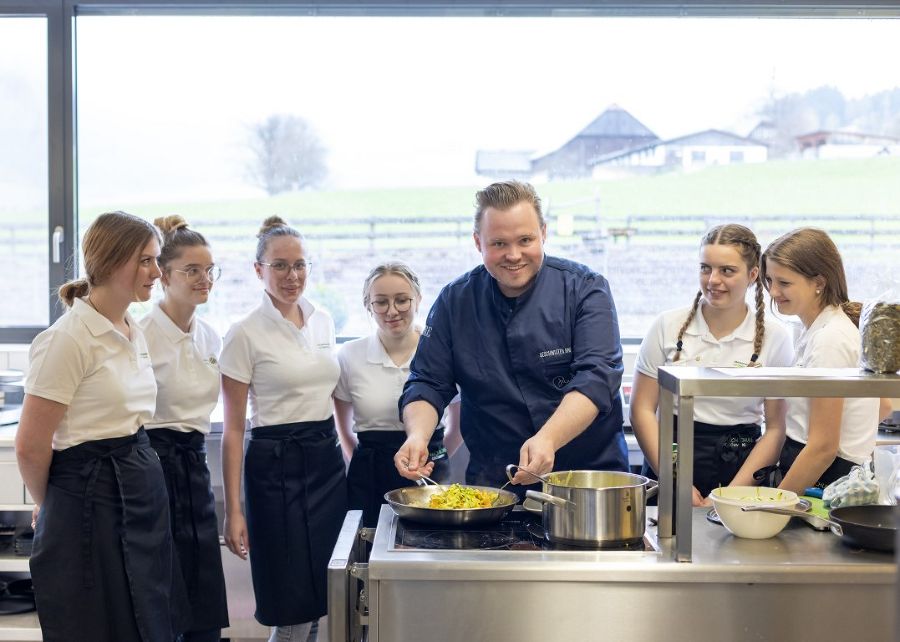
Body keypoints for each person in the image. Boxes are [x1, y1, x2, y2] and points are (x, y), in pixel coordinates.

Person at [16, 211, 185, 642]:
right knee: (98, 621)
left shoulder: (131, 327)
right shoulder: (67, 339)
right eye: (145, 261)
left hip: (139, 481)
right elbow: (31, 446)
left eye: (156, 259)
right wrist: (50, 502)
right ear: (110, 262)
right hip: (88, 498)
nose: (155, 271)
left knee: (149, 611)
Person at [394, 180, 628, 489]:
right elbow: (427, 382)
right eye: (499, 244)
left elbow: (596, 379)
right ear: (479, 242)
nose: (513, 254)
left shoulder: (585, 289)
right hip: (499, 484)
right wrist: (417, 436)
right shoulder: (455, 301)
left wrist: (548, 438)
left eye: (525, 240)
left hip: (588, 481)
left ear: (543, 233)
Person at [219, 216, 346, 642]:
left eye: (300, 265)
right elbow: (234, 428)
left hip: (325, 462)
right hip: (274, 467)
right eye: (280, 266)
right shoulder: (243, 334)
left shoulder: (323, 320)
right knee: (289, 596)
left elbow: (333, 395)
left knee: (322, 589)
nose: (292, 276)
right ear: (259, 270)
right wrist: (234, 510)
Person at [630, 224, 794, 506]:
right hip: (669, 460)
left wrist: (731, 495)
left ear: (753, 275)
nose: (712, 280)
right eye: (705, 268)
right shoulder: (666, 326)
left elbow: (776, 428)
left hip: (740, 470)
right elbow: (642, 409)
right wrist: (674, 478)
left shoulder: (775, 337)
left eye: (727, 271)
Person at [140, 215, 229, 642]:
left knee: (202, 584)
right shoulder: (138, 335)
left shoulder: (211, 337)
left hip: (194, 466)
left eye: (209, 270)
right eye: (192, 271)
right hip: (150, 470)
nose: (204, 279)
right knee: (160, 589)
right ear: (163, 275)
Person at [334, 261, 461, 527]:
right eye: (381, 302)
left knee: (429, 552)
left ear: (418, 300)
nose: (392, 311)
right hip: (369, 472)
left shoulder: (442, 353)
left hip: (428, 470)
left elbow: (459, 425)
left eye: (402, 300)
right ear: (368, 305)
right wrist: (359, 462)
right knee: (368, 552)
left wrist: (433, 454)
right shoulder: (349, 355)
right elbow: (344, 427)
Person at [761, 227, 888, 493]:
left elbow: (822, 448)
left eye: (784, 283)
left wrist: (775, 506)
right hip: (823, 469)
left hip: (827, 475)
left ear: (819, 282)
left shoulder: (830, 338)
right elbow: (883, 404)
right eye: (769, 280)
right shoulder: (821, 328)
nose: (773, 292)